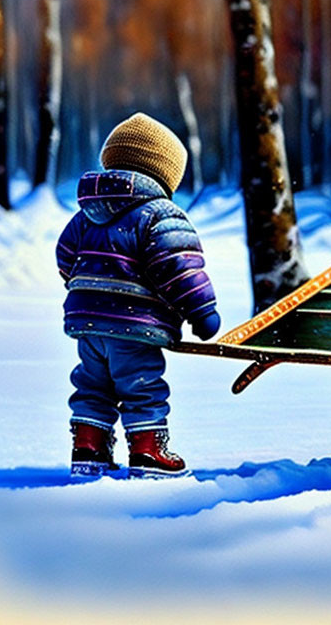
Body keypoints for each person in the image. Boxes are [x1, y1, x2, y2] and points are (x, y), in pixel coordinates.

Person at [56, 113, 220, 478]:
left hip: (88, 325)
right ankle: (148, 452)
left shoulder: (86, 213)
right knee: (141, 384)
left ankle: (88, 446)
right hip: (135, 325)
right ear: (166, 172)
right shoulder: (160, 214)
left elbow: (65, 256)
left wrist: (87, 290)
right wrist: (202, 312)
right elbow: (179, 268)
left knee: (92, 383)